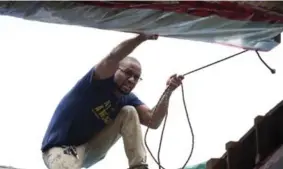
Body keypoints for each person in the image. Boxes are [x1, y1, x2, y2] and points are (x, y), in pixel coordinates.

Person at [41, 33, 184, 169]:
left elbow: (153, 121)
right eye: (128, 73)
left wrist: (168, 91)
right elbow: (113, 57)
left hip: (90, 149)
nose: (132, 80)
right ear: (116, 69)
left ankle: (138, 166)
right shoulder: (96, 81)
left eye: (136, 77)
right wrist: (141, 38)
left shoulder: (127, 99)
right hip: (60, 149)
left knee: (129, 111)